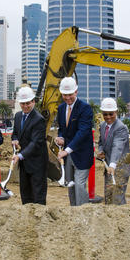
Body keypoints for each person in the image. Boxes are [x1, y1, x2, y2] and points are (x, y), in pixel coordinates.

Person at [55, 77, 93, 206]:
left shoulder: (85, 109)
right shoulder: (61, 109)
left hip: (81, 154)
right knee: (70, 185)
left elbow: (82, 133)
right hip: (68, 156)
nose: (67, 98)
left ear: (76, 91)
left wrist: (66, 150)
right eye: (65, 95)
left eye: (70, 94)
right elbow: (62, 129)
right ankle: (73, 212)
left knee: (79, 185)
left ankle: (82, 213)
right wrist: (60, 137)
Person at [11, 86, 48, 205]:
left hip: (37, 163)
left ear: (33, 102)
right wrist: (15, 140)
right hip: (24, 164)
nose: (25, 106)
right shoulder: (17, 116)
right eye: (23, 103)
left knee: (38, 195)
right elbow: (15, 133)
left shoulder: (39, 119)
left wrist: (20, 155)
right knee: (25, 194)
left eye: (28, 103)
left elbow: (35, 143)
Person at [97, 97, 130, 204]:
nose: (108, 117)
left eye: (111, 114)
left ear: (116, 112)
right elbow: (101, 142)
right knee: (108, 198)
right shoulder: (102, 126)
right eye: (105, 114)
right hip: (109, 168)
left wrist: (112, 165)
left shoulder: (121, 128)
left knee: (117, 199)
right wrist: (101, 151)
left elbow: (118, 147)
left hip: (120, 168)